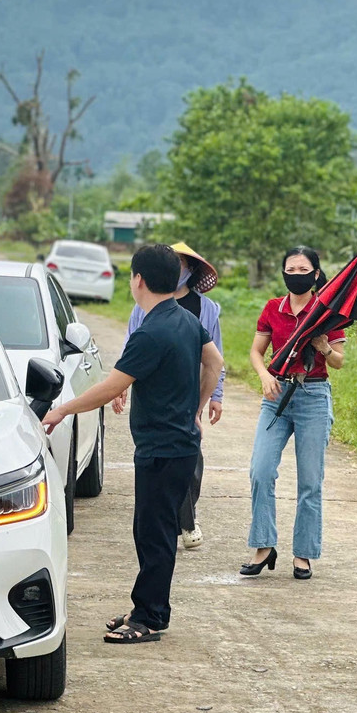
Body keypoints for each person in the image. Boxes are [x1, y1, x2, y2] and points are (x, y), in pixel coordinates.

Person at [43, 244, 224, 645]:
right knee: (150, 529)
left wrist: (63, 410)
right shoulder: (184, 319)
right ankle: (145, 606)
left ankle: (150, 618)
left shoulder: (152, 331)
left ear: (138, 280)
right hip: (179, 444)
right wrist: (196, 405)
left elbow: (112, 386)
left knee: (155, 533)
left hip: (162, 449)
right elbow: (214, 363)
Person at [242, 246, 345, 581]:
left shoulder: (328, 311)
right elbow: (257, 351)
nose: (296, 275)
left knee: (310, 481)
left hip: (313, 395)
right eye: (291, 270)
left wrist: (323, 346)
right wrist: (264, 375)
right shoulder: (273, 308)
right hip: (277, 395)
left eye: (304, 270)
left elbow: (339, 360)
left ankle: (303, 555)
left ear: (316, 274)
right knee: (260, 470)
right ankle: (263, 545)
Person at [113, 242, 223, 551]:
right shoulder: (144, 309)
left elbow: (216, 358)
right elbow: (129, 348)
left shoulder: (205, 310)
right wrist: (120, 386)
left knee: (190, 460)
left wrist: (212, 397)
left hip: (191, 389)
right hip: (159, 391)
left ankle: (183, 517)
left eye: (182, 265)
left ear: (189, 271)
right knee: (174, 458)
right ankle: (183, 521)